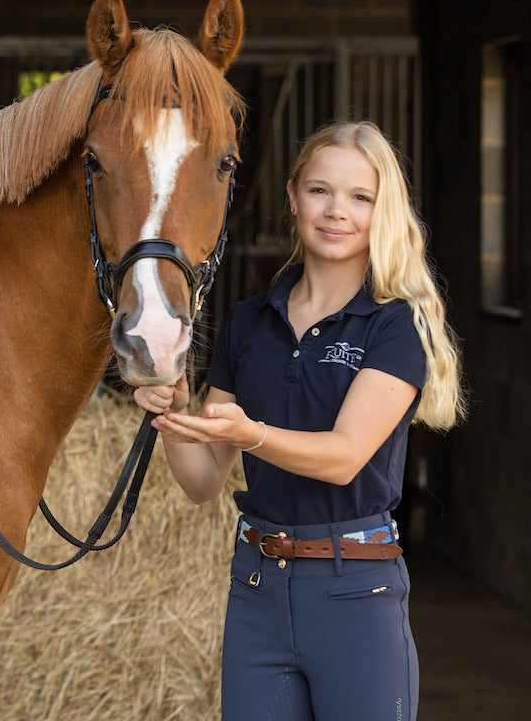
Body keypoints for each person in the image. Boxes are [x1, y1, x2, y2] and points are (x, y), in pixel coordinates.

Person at [134, 119, 464, 720]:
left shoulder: (394, 325)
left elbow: (342, 459)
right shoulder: (248, 322)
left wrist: (248, 433)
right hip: (256, 588)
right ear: (292, 196)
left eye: (360, 197)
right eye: (320, 191)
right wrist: (175, 410)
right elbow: (204, 481)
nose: (337, 211)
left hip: (355, 591)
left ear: (381, 209)